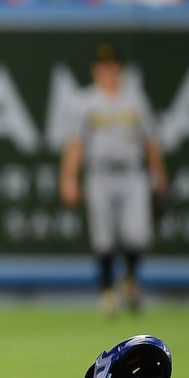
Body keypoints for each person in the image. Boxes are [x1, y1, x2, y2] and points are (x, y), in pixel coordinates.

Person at [60, 44, 167, 317]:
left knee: (138, 234)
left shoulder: (135, 100)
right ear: (95, 70)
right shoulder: (86, 101)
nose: (108, 71)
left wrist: (158, 175)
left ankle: (130, 279)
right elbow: (75, 145)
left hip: (132, 173)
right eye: (103, 66)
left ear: (120, 69)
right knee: (103, 237)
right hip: (100, 172)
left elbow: (150, 142)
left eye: (113, 66)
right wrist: (69, 179)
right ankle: (108, 290)